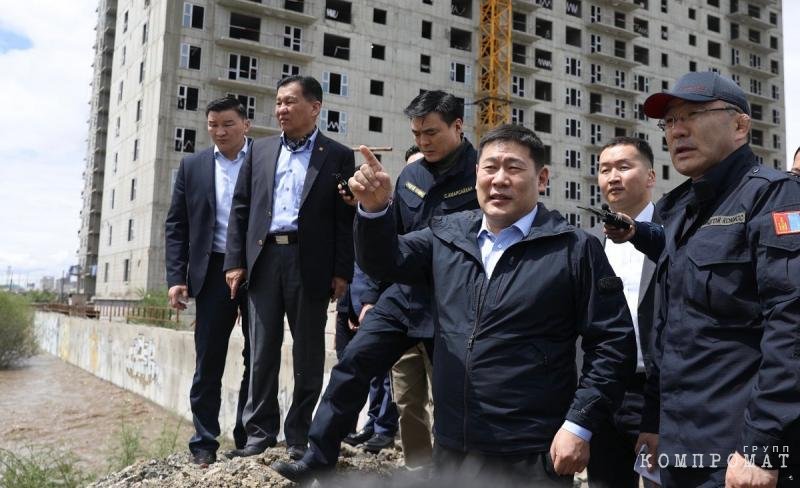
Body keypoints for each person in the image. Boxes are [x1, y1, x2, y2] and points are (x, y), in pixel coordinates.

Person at [349, 123, 636, 486]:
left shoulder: (574, 249)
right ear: (476, 175)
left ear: (542, 177)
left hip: (531, 452)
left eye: (513, 168)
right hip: (454, 446)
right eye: (490, 168)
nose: (499, 179)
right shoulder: (447, 236)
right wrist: (374, 212)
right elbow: (385, 261)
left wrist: (579, 424)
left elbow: (613, 343)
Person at [271, 90, 480, 482]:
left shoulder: (481, 174)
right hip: (403, 297)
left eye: (432, 132)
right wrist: (367, 295)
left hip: (454, 301)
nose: (423, 142)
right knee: (352, 365)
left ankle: (454, 474)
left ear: (458, 126)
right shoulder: (412, 176)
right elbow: (383, 238)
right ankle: (319, 456)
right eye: (417, 133)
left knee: (455, 394)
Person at [609, 71, 800, 487]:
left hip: (742, 455)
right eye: (669, 121)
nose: (677, 130)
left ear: (739, 125)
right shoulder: (675, 210)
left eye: (693, 115)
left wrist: (762, 446)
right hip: (679, 447)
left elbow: (792, 329)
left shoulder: (777, 196)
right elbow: (668, 329)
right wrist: (654, 421)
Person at [223, 75, 356, 461]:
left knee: (309, 355)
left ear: (314, 107)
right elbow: (241, 208)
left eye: (290, 102)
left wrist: (342, 271)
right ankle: (259, 434)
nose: (281, 109)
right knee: (262, 351)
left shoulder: (336, 155)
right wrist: (235, 261)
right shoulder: (259, 151)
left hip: (309, 263)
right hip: (264, 261)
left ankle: (299, 434)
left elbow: (342, 220)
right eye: (278, 102)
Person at [164, 96, 252, 465]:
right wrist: (176, 277)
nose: (220, 132)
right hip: (211, 271)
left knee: (258, 356)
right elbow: (176, 225)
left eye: (228, 124)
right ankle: (203, 442)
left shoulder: (264, 158)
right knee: (209, 361)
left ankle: (249, 437)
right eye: (213, 125)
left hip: (257, 268)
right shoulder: (193, 166)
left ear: (245, 124)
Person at [586, 137, 659, 488]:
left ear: (650, 177)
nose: (612, 176)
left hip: (656, 396)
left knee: (661, 479)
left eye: (623, 167)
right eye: (604, 169)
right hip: (605, 392)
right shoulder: (593, 245)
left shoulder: (673, 234)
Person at [389, 144, 436, 470]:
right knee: (406, 400)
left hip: (443, 320)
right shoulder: (395, 212)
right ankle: (418, 469)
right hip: (405, 316)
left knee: (446, 402)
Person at [334, 261, 399, 453]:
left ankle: (383, 429)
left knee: (385, 373)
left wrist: (370, 302)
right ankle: (368, 426)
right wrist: (348, 309)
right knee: (352, 368)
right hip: (350, 302)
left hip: (377, 301)